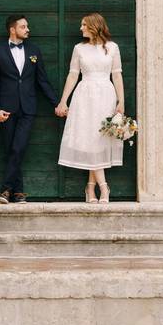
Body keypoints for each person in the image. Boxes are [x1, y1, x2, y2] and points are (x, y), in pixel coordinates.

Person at [0, 14, 60, 204]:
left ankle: (5, 190)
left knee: (18, 148)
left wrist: (57, 103)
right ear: (12, 29)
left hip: (28, 108)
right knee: (12, 149)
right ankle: (18, 192)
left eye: (27, 26)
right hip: (6, 110)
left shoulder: (34, 50)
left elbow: (42, 81)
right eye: (23, 27)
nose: (28, 29)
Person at [55, 13, 125, 203]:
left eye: (84, 25)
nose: (80, 28)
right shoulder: (79, 48)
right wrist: (63, 101)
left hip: (105, 95)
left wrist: (121, 102)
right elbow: (72, 75)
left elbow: (117, 76)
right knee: (89, 140)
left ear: (94, 26)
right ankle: (103, 188)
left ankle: (91, 187)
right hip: (84, 96)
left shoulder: (112, 48)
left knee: (99, 141)